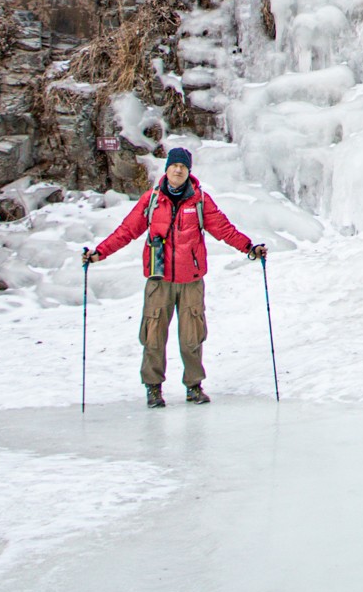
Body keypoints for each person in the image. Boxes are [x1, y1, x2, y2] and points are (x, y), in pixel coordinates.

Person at [85, 147, 263, 406]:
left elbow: (224, 229)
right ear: (167, 169)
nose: (178, 170)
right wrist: (99, 253)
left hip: (191, 280)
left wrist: (249, 248)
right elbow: (127, 230)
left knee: (192, 337)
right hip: (159, 280)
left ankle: (194, 386)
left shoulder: (200, 201)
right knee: (153, 335)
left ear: (189, 171)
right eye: (174, 166)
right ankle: (153, 387)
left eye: (183, 166)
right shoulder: (152, 200)